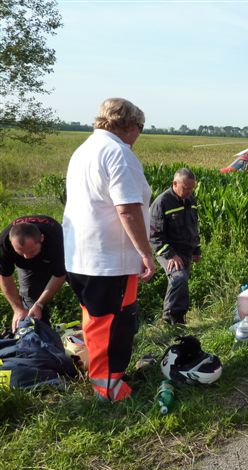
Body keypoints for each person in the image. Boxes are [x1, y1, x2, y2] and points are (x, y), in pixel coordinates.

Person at [63, 97, 155, 402]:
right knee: (115, 324)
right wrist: (145, 252)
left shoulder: (84, 150)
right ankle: (109, 389)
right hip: (110, 259)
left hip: (80, 257)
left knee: (95, 320)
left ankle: (101, 377)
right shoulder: (118, 152)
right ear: (129, 126)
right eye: (140, 128)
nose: (139, 135)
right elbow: (127, 209)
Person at [150, 168, 201, 324]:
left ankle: (179, 320)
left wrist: (197, 248)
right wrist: (171, 255)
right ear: (175, 183)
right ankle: (169, 319)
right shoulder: (162, 202)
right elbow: (154, 235)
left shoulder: (190, 199)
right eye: (186, 188)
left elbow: (194, 226)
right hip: (168, 251)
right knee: (178, 278)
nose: (189, 192)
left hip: (186, 250)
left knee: (182, 283)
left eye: (192, 188)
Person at [0, 216, 66, 331]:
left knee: (81, 287)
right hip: (27, 268)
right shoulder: (4, 244)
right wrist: (18, 309)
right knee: (31, 304)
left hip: (55, 256)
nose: (27, 257)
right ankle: (41, 339)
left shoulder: (56, 239)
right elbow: (4, 277)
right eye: (21, 253)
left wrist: (40, 303)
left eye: (31, 251)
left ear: (41, 238)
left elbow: (60, 275)